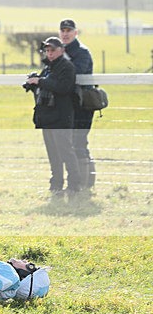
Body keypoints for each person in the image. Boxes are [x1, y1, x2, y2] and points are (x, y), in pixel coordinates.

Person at [24, 36, 81, 196]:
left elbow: (64, 87)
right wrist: (33, 84)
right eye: (47, 50)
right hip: (48, 116)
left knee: (65, 152)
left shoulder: (66, 67)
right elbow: (46, 85)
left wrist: (40, 81)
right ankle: (56, 184)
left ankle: (74, 185)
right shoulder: (49, 67)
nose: (49, 53)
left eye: (52, 50)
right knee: (53, 154)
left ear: (61, 50)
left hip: (61, 116)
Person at [60, 18, 96, 190]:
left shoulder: (82, 52)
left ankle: (84, 182)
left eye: (69, 31)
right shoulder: (60, 51)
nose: (65, 34)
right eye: (63, 31)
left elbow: (76, 73)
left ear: (75, 33)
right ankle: (82, 181)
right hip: (69, 104)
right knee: (72, 142)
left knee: (79, 141)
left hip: (82, 104)